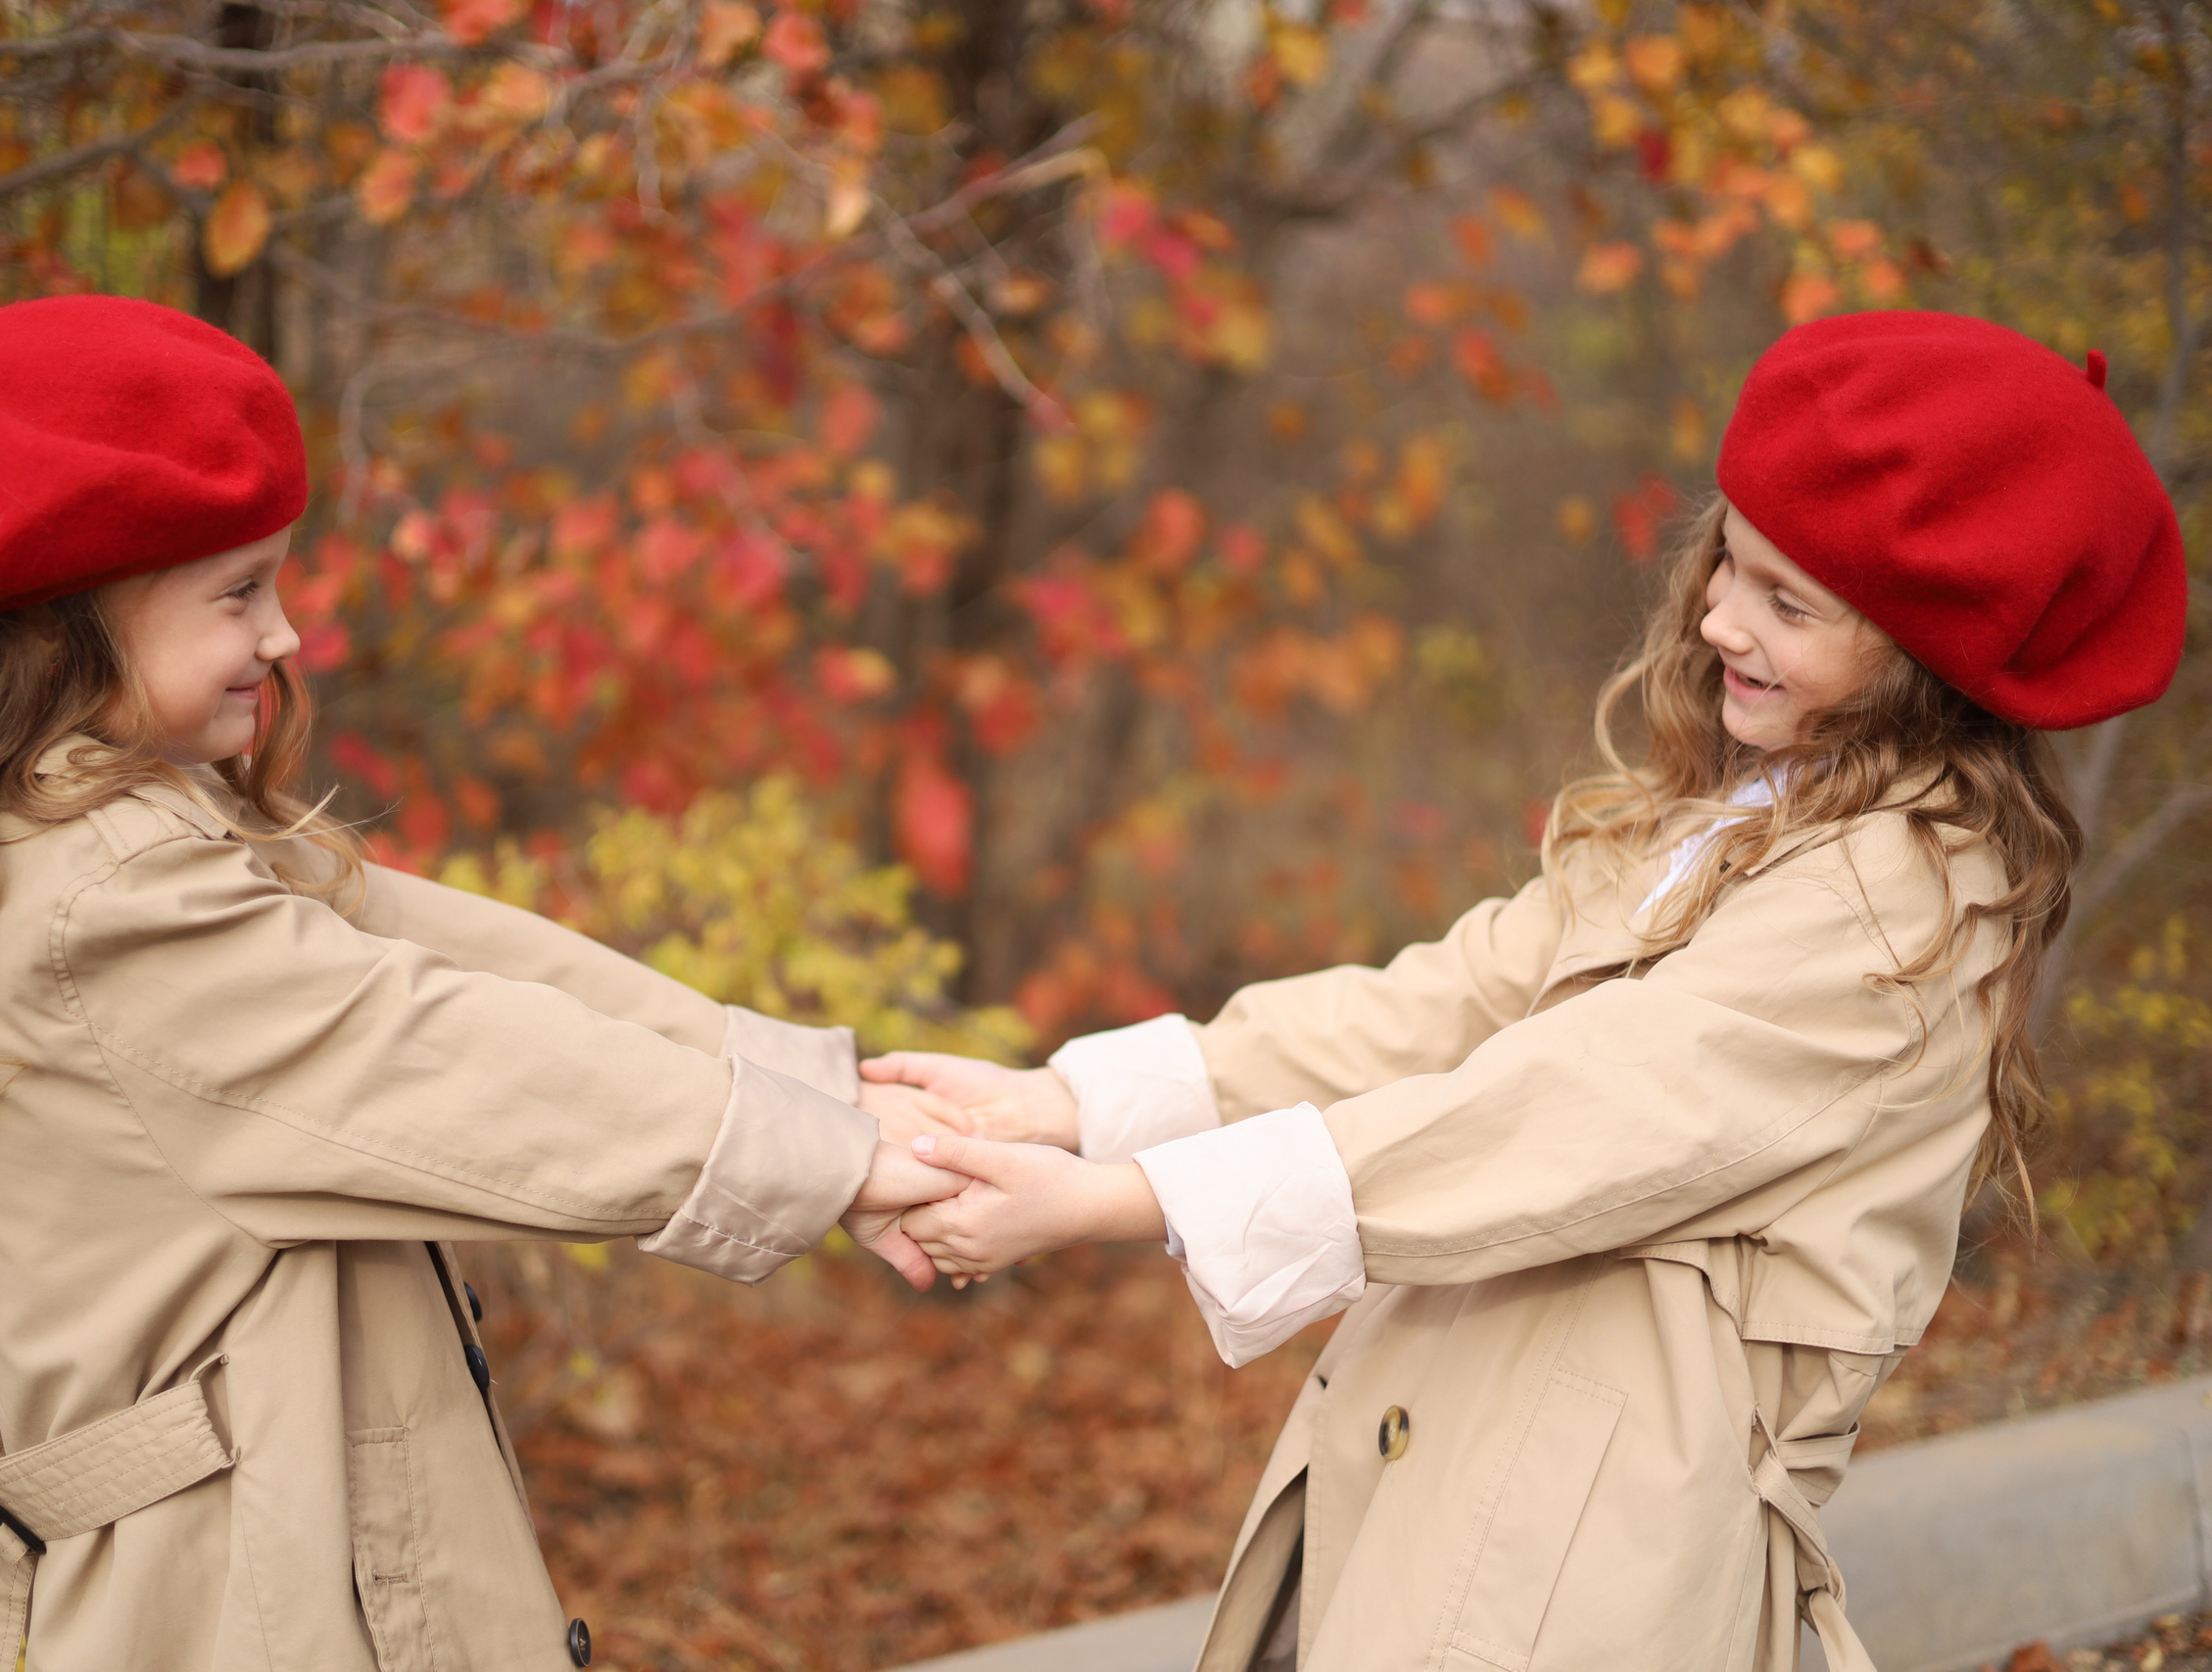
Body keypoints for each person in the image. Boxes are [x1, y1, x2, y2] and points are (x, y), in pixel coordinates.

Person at [864, 311, 2190, 1672]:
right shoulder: (1749, 811)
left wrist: (1116, 1204)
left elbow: (1563, 1110)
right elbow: (1454, 1000)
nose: (1725, 617)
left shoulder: (1898, 907)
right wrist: (1072, 1107)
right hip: (1460, 1469)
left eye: (1791, 604)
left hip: (1578, 1564)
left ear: (1929, 660)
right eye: (1732, 560)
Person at [0, 294, 965, 1672]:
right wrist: (839, 1163)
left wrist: (821, 1099)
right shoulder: (112, 908)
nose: (284, 636)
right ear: (56, 631)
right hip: (226, 1613)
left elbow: (457, 958)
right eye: (235, 593)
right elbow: (440, 1053)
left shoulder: (109, 840)